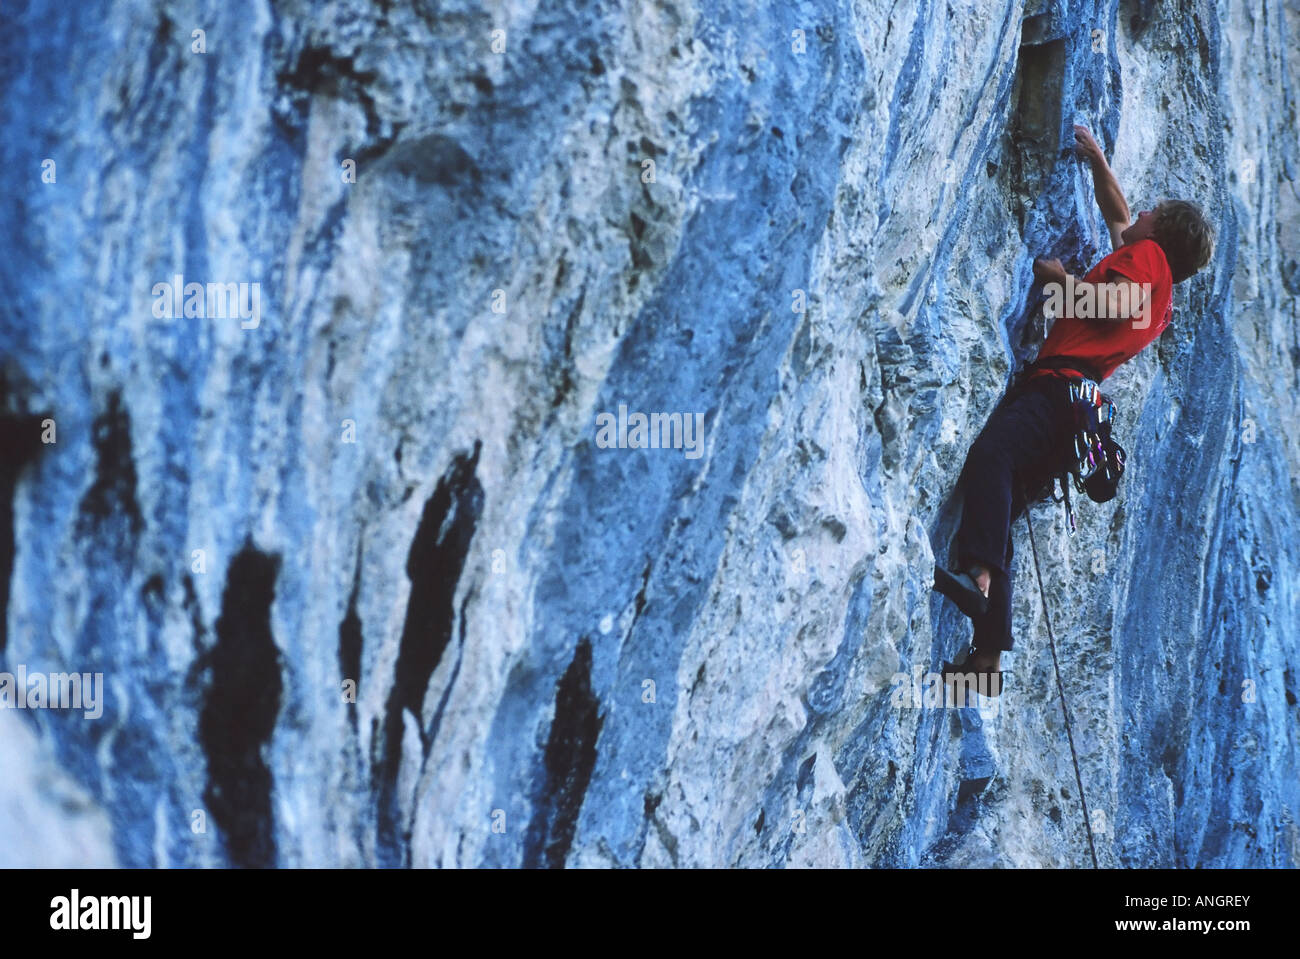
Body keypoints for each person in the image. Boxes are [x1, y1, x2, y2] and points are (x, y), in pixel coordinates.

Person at [933, 125, 1215, 695]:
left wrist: (1060, 282)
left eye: (1153, 210)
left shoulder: (1148, 262)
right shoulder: (1158, 284)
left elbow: (1112, 304)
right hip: (1078, 412)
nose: (1141, 211)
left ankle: (978, 576)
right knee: (1000, 500)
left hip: (1059, 391)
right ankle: (985, 661)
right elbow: (1120, 216)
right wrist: (1097, 163)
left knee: (990, 457)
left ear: (1160, 232)